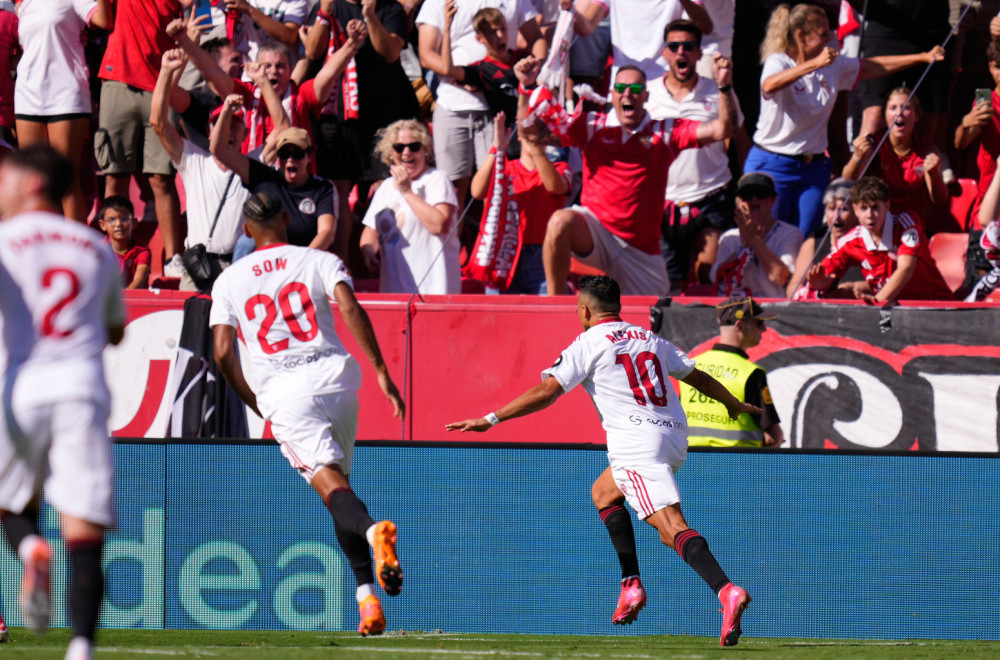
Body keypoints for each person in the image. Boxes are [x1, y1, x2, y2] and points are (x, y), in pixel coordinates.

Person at [446, 275, 760, 646]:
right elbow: (696, 377)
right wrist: (733, 404)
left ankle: (726, 590)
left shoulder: (588, 342)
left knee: (671, 528)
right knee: (603, 492)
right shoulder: (649, 337)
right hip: (673, 437)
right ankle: (631, 584)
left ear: (583, 310)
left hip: (635, 444)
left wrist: (492, 418)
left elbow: (548, 391)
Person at [210, 191, 405, 636]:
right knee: (339, 491)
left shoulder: (229, 280)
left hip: (286, 393)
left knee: (335, 492)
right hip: (338, 382)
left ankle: (376, 533)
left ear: (245, 230)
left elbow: (222, 352)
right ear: (286, 218)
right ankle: (366, 599)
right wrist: (380, 370)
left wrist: (257, 402)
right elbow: (350, 307)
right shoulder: (318, 259)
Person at [0, 145, 126, 660]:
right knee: (84, 530)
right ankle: (80, 649)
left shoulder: (5, 240)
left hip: (22, 387)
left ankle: (30, 548)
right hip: (81, 387)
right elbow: (116, 330)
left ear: (32, 185)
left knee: (11, 504)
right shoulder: (96, 248)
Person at [525, 57, 740, 296]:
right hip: (596, 231)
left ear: (646, 97)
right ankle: (554, 306)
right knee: (560, 222)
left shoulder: (665, 132)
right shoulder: (591, 126)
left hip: (639, 250)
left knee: (654, 324)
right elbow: (531, 132)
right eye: (620, 88)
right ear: (612, 95)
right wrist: (527, 87)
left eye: (636, 89)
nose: (627, 94)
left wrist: (724, 86)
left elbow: (724, 129)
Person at [745, 3, 944, 237]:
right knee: (769, 236)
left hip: (813, 168)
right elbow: (769, 84)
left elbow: (874, 66)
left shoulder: (833, 66)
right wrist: (813, 64)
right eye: (823, 34)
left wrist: (922, 57)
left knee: (805, 237)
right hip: (773, 164)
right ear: (801, 36)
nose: (830, 39)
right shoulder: (779, 61)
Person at [304, 0, 419, 261]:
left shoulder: (390, 8)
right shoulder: (329, 4)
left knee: (386, 185)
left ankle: (389, 262)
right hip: (337, 115)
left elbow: (389, 52)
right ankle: (342, 265)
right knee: (339, 191)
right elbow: (312, 51)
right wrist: (324, 11)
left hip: (383, 114)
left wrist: (370, 16)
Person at [646, 19, 749, 291]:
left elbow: (740, 139)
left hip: (711, 195)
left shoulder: (719, 91)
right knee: (670, 284)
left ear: (698, 54)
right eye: (674, 46)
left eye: (689, 47)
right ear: (664, 52)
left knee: (708, 276)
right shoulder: (647, 93)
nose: (681, 51)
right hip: (663, 200)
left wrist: (745, 187)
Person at [417, 0, 546, 204]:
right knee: (452, 189)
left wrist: (534, 66)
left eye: (501, 29)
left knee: (495, 185)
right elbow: (426, 55)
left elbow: (536, 39)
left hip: (497, 111)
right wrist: (468, 78)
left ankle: (495, 236)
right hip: (453, 104)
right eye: (492, 31)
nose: (499, 35)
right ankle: (455, 236)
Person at [95, 0, 189, 277]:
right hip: (117, 80)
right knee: (115, 175)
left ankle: (174, 260)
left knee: (162, 178)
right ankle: (112, 255)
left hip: (160, 85)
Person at [152, 49, 252, 292]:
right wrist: (166, 71)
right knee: (193, 329)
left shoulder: (253, 165)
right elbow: (158, 123)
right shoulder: (193, 160)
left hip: (238, 267)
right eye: (221, 123)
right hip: (197, 267)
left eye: (234, 125)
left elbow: (281, 129)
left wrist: (261, 83)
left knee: (235, 331)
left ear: (245, 134)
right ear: (210, 132)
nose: (228, 130)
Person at [14, 0, 113, 222]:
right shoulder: (23, 5)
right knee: (32, 180)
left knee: (66, 180)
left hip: (66, 94)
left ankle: (74, 252)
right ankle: (36, 247)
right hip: (27, 94)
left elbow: (104, 20)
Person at [212, 100, 338, 254]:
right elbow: (219, 150)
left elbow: (326, 233)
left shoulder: (322, 188)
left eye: (297, 154)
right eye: (285, 154)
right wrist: (225, 111)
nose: (290, 159)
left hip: (304, 259)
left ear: (309, 156)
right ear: (279, 157)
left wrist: (303, 260)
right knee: (246, 243)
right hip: (266, 260)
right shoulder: (264, 176)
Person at [469, 111, 571, 294]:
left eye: (541, 135)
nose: (537, 138)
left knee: (546, 317)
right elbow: (477, 191)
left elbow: (555, 186)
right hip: (504, 254)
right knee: (499, 319)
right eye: (531, 134)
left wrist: (535, 145)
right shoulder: (506, 168)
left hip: (543, 256)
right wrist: (496, 148)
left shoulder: (559, 168)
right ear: (521, 137)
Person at [806, 176, 952, 303]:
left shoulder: (906, 224)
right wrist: (818, 284)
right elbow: (823, 278)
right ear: (855, 209)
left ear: (887, 206)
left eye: (875, 207)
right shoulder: (850, 241)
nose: (870, 215)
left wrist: (877, 301)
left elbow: (906, 269)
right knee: (881, 327)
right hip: (890, 309)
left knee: (883, 323)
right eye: (864, 208)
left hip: (933, 307)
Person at [359, 119, 460, 294]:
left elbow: (439, 225)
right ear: (391, 152)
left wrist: (407, 192)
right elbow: (370, 231)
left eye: (414, 146)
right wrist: (368, 251)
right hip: (394, 292)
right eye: (399, 147)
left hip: (433, 291)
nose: (407, 152)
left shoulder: (437, 179)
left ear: (425, 150)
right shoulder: (386, 187)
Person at [681, 296, 782, 447]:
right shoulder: (751, 372)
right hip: (737, 465)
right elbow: (773, 437)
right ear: (740, 325)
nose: (764, 329)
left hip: (692, 462)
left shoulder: (692, 364)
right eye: (759, 323)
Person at [843, 88, 947, 229]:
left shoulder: (926, 149)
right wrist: (857, 157)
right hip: (877, 226)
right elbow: (847, 181)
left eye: (906, 108)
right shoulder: (874, 143)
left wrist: (934, 173)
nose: (899, 112)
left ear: (917, 116)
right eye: (893, 108)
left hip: (911, 230)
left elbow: (940, 199)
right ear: (885, 117)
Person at [561, 0, 713, 82]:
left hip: (666, 88)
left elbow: (704, 27)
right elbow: (586, 28)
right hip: (625, 89)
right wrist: (570, 9)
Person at [711, 172, 803, 298]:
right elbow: (716, 277)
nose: (754, 199)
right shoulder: (729, 238)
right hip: (735, 307)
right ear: (738, 202)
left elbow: (780, 277)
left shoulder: (790, 233)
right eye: (747, 194)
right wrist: (742, 249)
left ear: (772, 200)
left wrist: (754, 240)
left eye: (761, 194)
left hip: (774, 309)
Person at [787, 177, 862, 300]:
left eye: (844, 209)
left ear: (857, 211)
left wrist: (850, 288)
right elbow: (794, 286)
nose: (836, 216)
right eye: (831, 209)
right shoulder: (815, 240)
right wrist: (811, 293)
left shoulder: (867, 239)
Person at [954, 41, 1000, 222]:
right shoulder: (985, 99)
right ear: (990, 67)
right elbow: (961, 143)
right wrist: (966, 123)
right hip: (989, 200)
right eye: (998, 67)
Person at [98, 196, 151, 290]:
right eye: (112, 220)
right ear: (103, 225)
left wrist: (123, 299)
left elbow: (139, 279)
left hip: (134, 301)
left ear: (134, 223)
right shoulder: (99, 249)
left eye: (124, 219)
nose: (118, 224)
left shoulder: (142, 251)